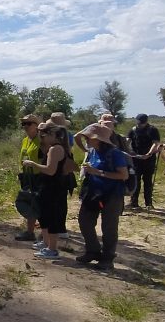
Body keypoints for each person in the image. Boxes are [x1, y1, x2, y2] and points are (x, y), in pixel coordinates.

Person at [76, 123, 129, 271]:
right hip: (94, 192)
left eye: (89, 137)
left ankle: (107, 258)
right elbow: (76, 138)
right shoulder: (92, 151)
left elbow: (123, 175)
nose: (86, 138)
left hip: (113, 194)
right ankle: (92, 251)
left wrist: (98, 172)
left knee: (109, 227)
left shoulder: (115, 153)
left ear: (99, 139)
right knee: (84, 221)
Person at [21, 120, 71, 259]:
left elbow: (50, 170)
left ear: (51, 134)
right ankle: (47, 244)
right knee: (44, 215)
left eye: (43, 136)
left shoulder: (55, 149)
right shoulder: (55, 148)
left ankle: (52, 249)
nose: (42, 139)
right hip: (48, 186)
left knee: (51, 217)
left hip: (52, 187)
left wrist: (33, 164)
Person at [15, 114, 41, 241]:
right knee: (28, 201)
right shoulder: (25, 140)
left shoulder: (41, 140)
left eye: (28, 123)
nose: (25, 126)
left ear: (36, 125)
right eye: (23, 124)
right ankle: (30, 231)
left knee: (38, 203)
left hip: (39, 176)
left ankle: (46, 234)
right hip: (26, 176)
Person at [127, 114, 160, 209]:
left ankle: (148, 203)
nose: (140, 124)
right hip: (136, 158)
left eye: (142, 123)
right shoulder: (133, 130)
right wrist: (130, 151)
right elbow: (128, 141)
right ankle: (134, 202)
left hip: (149, 159)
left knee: (148, 181)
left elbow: (155, 143)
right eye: (139, 122)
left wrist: (149, 154)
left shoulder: (153, 130)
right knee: (135, 180)